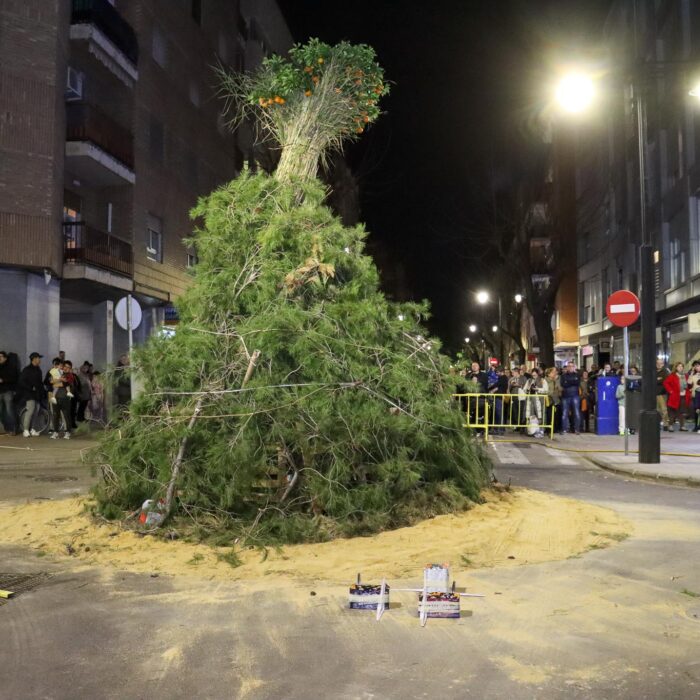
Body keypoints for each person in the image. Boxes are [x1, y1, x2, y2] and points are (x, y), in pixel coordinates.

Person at [16, 352, 45, 437]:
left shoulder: (38, 369)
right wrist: (31, 387)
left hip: (37, 394)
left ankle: (33, 429)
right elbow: (21, 381)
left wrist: (42, 391)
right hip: (29, 394)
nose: (39, 360)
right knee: (30, 411)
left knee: (36, 412)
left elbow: (40, 383)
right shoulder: (27, 369)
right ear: (34, 359)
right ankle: (25, 430)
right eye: (38, 358)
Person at [48, 361, 74, 440]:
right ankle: (55, 432)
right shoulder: (59, 373)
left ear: (70, 369)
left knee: (66, 415)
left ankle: (67, 432)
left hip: (65, 398)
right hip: (56, 397)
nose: (66, 368)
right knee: (56, 415)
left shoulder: (70, 376)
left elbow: (62, 384)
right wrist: (56, 381)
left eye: (68, 367)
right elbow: (51, 381)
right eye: (65, 366)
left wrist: (56, 382)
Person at [663, 362, 690, 432]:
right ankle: (670, 425)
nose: (680, 368)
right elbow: (665, 383)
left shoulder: (686, 376)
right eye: (679, 366)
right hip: (675, 396)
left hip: (684, 396)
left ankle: (682, 426)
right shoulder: (673, 376)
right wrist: (670, 391)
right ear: (676, 368)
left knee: (682, 412)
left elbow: (689, 385)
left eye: (682, 366)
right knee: (672, 411)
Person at [560, 361, 582, 434]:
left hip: (575, 396)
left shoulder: (577, 375)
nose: (570, 367)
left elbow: (577, 383)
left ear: (574, 367)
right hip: (565, 396)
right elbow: (563, 384)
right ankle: (564, 429)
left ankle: (577, 429)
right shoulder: (563, 376)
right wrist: (572, 382)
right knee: (564, 413)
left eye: (572, 366)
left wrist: (568, 382)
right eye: (569, 366)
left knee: (576, 413)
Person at [0, 350, 19, 434]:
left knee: (9, 410)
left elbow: (14, 378)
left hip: (8, 391)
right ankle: (3, 428)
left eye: (0, 357)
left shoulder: (11, 367)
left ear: (5, 358)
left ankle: (13, 429)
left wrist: (3, 380)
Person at [656, 358, 671, 431]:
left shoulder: (665, 371)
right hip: (654, 393)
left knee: (664, 410)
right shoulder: (653, 371)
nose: (659, 365)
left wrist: (658, 380)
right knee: (656, 410)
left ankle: (666, 424)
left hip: (662, 393)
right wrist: (658, 380)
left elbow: (665, 380)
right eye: (657, 363)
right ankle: (657, 424)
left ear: (663, 364)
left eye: (660, 363)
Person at [626, 366, 642, 435]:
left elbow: (642, 386)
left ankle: (637, 427)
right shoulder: (628, 378)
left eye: (634, 370)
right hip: (630, 396)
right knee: (631, 413)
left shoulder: (639, 378)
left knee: (636, 412)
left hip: (637, 396)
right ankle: (631, 428)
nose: (632, 372)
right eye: (631, 371)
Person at [688, 360, 700, 432]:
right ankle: (696, 426)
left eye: (698, 365)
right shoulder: (693, 376)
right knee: (696, 411)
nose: (697, 367)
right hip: (695, 395)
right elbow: (689, 383)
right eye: (696, 366)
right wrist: (692, 372)